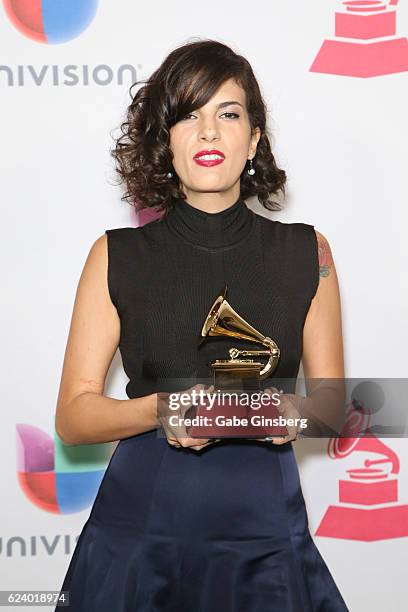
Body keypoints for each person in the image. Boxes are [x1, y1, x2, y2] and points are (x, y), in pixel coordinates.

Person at [54, 39, 349, 611]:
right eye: (189, 115)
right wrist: (162, 409)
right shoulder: (115, 255)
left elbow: (333, 405)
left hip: (265, 532)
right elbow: (73, 416)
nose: (209, 132)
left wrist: (291, 412)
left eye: (228, 114)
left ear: (254, 139)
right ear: (165, 140)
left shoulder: (308, 251)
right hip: (139, 532)